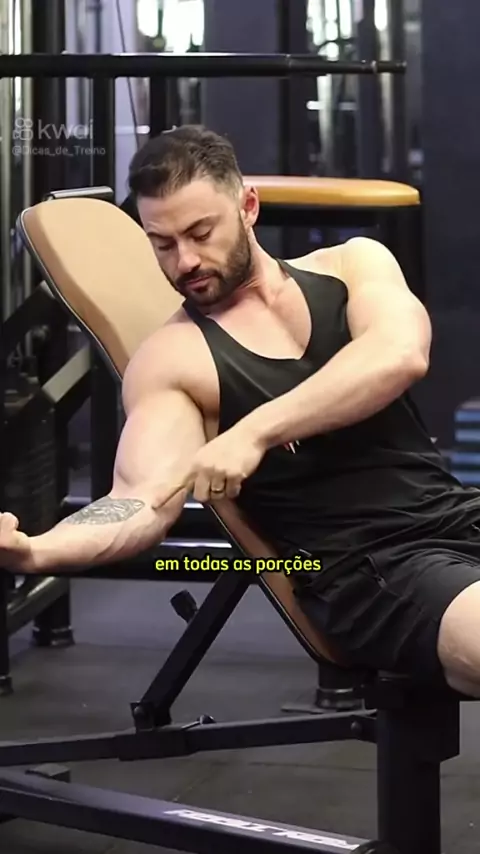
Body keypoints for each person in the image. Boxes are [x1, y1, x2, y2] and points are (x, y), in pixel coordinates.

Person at [1, 124, 480, 695]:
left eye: (201, 233)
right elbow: (139, 500)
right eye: (162, 244)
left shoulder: (353, 265)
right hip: (368, 569)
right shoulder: (173, 359)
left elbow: (399, 354)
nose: (185, 261)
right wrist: (35, 550)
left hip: (456, 512)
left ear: (248, 207)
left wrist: (253, 432)